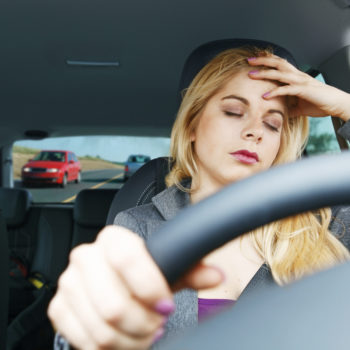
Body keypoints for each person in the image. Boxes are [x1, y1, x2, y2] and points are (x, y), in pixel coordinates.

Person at [48, 46, 350, 350]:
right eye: (233, 111)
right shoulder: (139, 229)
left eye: (273, 124)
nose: (255, 131)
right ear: (192, 125)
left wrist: (345, 106)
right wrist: (84, 329)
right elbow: (101, 326)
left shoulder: (327, 225)